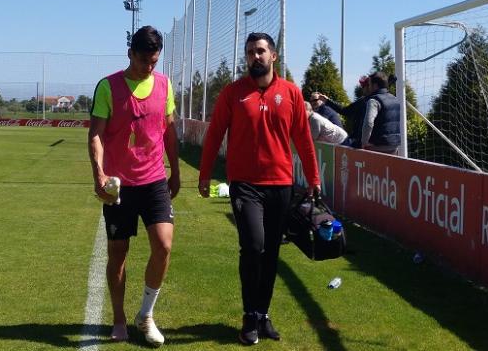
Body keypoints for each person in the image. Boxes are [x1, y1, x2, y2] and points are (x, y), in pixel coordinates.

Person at [198, 32, 320, 346]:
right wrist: (204, 175)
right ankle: (249, 316)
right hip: (245, 186)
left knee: (271, 253)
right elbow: (214, 135)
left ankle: (263, 315)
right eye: (250, 52)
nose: (255, 56)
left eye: (261, 51)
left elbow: (304, 141)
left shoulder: (291, 93)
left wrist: (314, 179)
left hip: (281, 185)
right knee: (253, 246)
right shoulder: (233, 93)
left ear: (274, 56)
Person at [88, 25, 180, 346]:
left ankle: (146, 314)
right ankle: (119, 318)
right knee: (118, 253)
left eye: (154, 61)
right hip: (119, 186)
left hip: (154, 179)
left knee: (164, 245)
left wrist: (176, 170)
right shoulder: (108, 87)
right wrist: (98, 173)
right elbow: (96, 134)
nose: (149, 67)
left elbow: (169, 131)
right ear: (131, 54)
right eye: (143, 61)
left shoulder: (165, 86)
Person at [314, 75, 372, 148]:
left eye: (363, 87)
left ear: (369, 87)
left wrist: (327, 101)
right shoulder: (365, 100)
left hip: (361, 141)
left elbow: (344, 111)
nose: (362, 90)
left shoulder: (364, 101)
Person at [360, 71, 401, 154]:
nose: (369, 87)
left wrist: (364, 142)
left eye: (370, 84)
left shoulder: (374, 101)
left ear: (375, 85)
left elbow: (368, 123)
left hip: (378, 146)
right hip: (394, 145)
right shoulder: (395, 99)